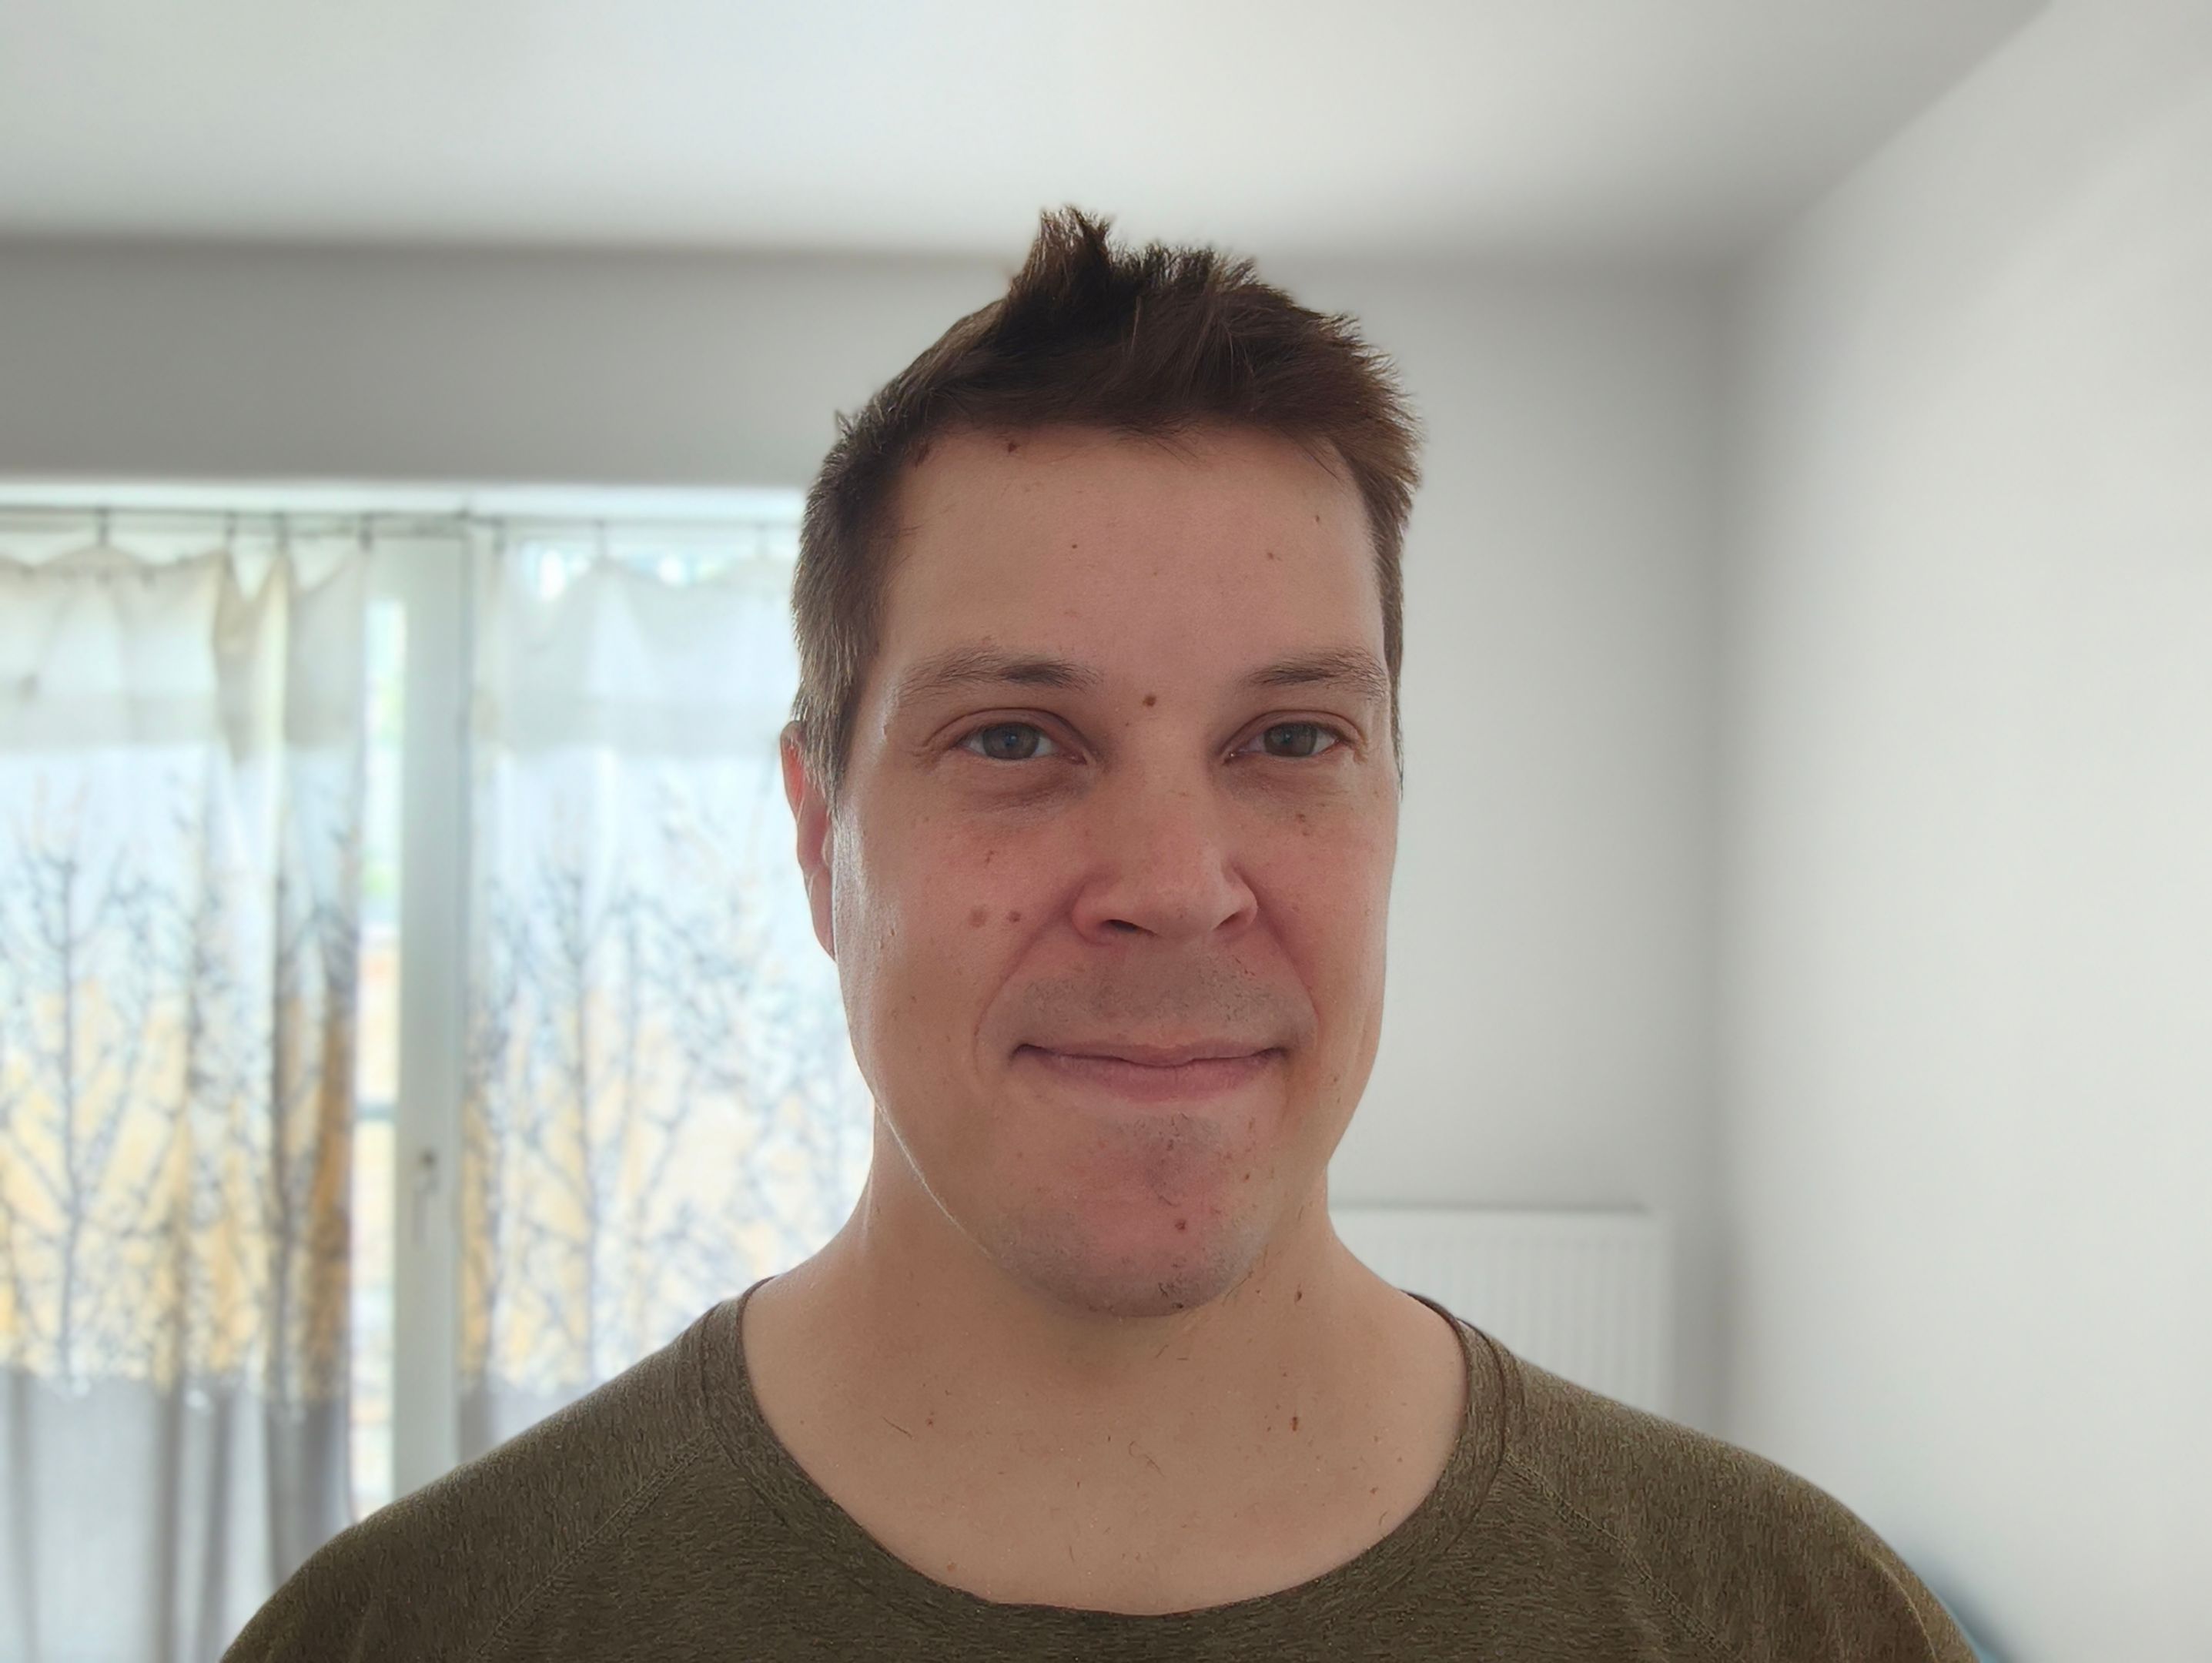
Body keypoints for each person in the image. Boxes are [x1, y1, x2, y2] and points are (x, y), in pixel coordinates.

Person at [226, 208, 1974, 1661]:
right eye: (1015, 738)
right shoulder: (414, 1632)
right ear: (821, 840)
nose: (1175, 880)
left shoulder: (1794, 1621)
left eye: (1291, 738)